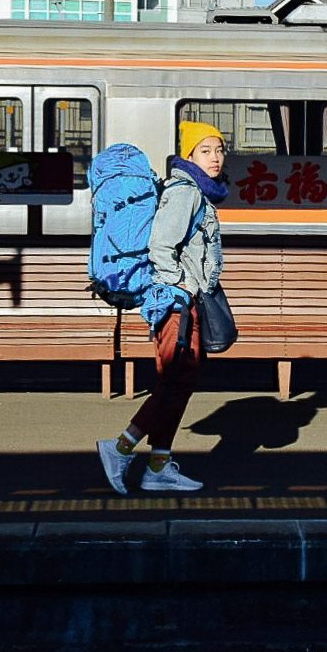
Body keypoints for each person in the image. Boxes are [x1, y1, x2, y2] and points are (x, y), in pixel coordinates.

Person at [97, 121, 228, 494]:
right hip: (175, 303)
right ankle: (120, 448)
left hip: (181, 302)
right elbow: (161, 246)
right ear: (189, 155)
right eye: (205, 151)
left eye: (218, 150)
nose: (215, 158)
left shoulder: (198, 191)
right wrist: (182, 286)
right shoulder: (185, 192)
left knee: (178, 383)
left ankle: (158, 466)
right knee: (178, 380)